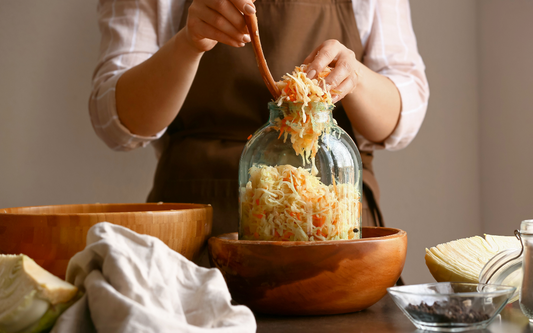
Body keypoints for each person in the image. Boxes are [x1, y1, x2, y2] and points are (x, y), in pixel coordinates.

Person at [90, 0, 429, 241]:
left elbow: (404, 117)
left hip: (331, 232)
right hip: (191, 234)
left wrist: (354, 77)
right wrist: (189, 42)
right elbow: (115, 122)